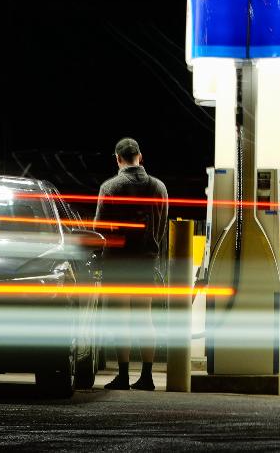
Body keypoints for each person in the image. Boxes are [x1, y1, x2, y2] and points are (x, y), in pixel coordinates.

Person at [94, 137, 169, 391]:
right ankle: (147, 376)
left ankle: (123, 376)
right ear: (141, 156)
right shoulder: (159, 188)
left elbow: (99, 229)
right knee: (144, 318)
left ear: (118, 159)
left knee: (121, 320)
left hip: (117, 263)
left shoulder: (110, 188)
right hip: (145, 262)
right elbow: (162, 227)